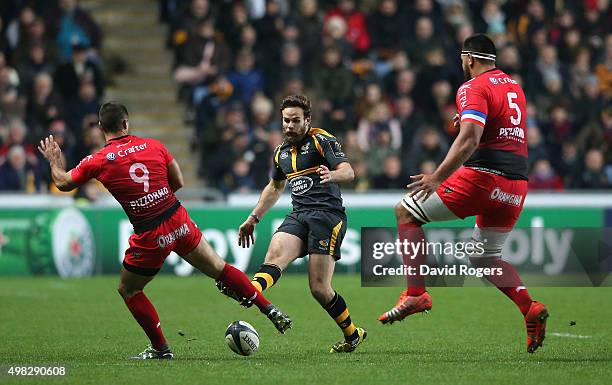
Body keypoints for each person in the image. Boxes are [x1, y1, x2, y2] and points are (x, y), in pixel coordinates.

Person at [37, 102, 291, 360]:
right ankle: (267, 307)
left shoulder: (98, 160)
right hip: (177, 217)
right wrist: (158, 197)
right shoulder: (154, 146)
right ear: (126, 123)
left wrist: (54, 161)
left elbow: (63, 182)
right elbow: (178, 181)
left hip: (150, 232)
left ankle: (161, 349)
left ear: (102, 128)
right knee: (220, 269)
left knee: (129, 289)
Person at [377, 34, 549, 353]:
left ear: (469, 59)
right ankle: (530, 307)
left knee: (405, 212)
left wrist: (436, 177)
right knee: (483, 255)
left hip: (485, 178)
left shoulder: (472, 87)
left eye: (462, 59)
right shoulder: (514, 86)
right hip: (517, 185)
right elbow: (500, 127)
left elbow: (469, 140)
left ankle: (416, 293)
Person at [217, 94, 367, 353]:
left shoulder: (322, 140)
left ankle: (353, 334)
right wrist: (253, 218)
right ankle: (248, 290)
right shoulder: (281, 152)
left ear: (307, 120)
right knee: (274, 256)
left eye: (295, 121)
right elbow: (275, 187)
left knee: (319, 288)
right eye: (286, 121)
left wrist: (332, 174)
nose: (289, 126)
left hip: (327, 216)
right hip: (299, 215)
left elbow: (349, 171)